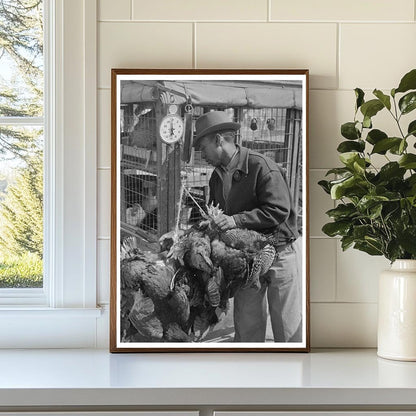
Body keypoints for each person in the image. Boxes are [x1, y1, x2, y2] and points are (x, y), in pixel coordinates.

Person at [193, 110, 302, 343]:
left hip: (279, 253)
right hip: (246, 260)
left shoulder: (262, 166)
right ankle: (249, 373)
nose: (202, 155)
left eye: (203, 148)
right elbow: (222, 215)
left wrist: (235, 220)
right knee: (247, 327)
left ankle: (293, 375)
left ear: (218, 140)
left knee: (287, 329)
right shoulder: (216, 177)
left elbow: (279, 209)